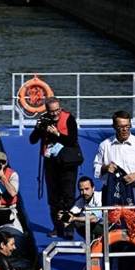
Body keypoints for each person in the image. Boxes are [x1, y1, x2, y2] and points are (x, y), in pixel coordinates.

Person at [29, 98, 82, 237]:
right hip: (51, 163)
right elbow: (32, 140)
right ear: (47, 110)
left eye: (57, 110)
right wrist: (38, 128)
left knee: (68, 196)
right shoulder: (44, 120)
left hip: (67, 163)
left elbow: (71, 140)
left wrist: (57, 135)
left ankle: (68, 227)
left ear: (60, 108)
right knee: (53, 198)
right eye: (51, 111)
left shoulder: (69, 119)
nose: (54, 114)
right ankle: (57, 227)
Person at [93, 111, 135, 206]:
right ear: (113, 126)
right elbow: (95, 167)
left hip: (133, 190)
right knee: (110, 220)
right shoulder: (105, 145)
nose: (125, 129)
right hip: (110, 190)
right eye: (121, 127)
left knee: (133, 220)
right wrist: (105, 168)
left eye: (127, 126)